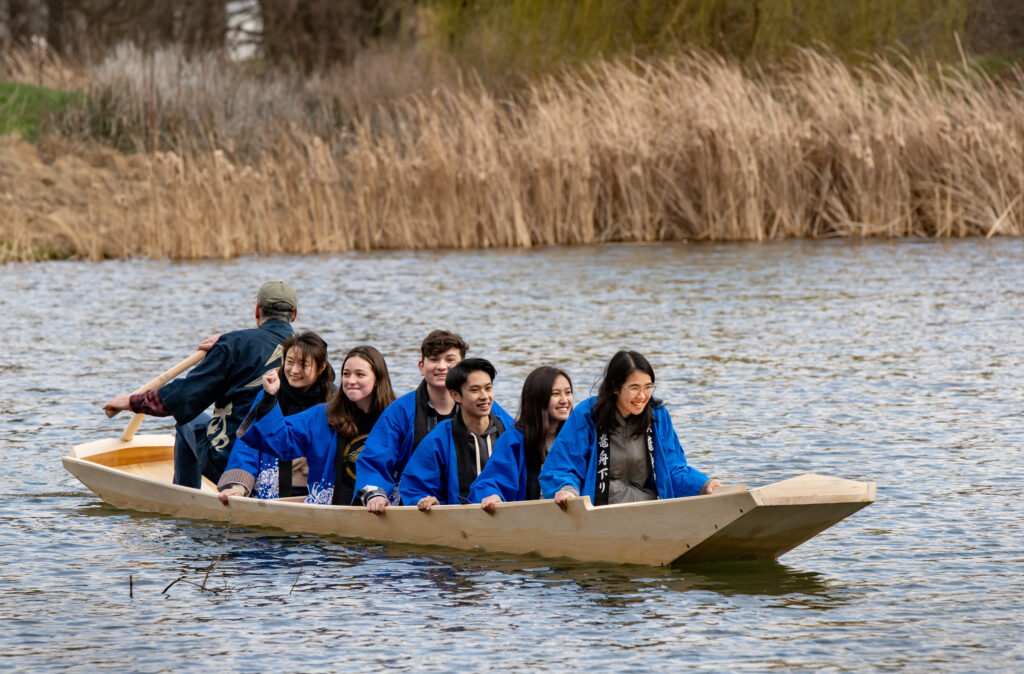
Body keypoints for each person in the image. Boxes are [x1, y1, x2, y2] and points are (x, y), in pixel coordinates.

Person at [103, 281, 298, 488]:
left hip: (234, 465)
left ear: (257, 310)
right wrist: (225, 346)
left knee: (186, 420)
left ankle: (184, 499)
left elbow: (184, 398)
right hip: (292, 470)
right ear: (293, 315)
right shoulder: (310, 353)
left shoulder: (234, 344)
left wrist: (132, 401)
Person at [539, 350, 721, 508]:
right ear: (615, 388)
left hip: (646, 506)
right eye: (634, 388)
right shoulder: (588, 414)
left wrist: (704, 485)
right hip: (601, 509)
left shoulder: (658, 416)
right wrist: (567, 490)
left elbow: (672, 468)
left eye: (648, 387)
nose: (642, 396)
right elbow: (563, 465)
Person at [236, 346, 396, 505]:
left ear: (378, 379)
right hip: (328, 512)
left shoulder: (396, 417)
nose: (351, 380)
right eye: (346, 374)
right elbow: (280, 439)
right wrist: (270, 398)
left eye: (360, 374)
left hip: (382, 510)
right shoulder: (323, 416)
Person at [353, 330, 467, 513]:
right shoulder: (399, 411)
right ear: (421, 367)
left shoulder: (485, 408)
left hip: (470, 503)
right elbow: (375, 459)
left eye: (450, 360)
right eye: (434, 359)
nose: (442, 366)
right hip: (413, 506)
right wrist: (376, 494)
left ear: (464, 368)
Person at [216, 331, 335, 501]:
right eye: (290, 362)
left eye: (303, 365)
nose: (294, 370)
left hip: (319, 489)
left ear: (321, 367)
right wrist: (238, 487)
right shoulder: (270, 393)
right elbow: (248, 445)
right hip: (272, 492)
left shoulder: (334, 401)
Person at [399, 358, 515, 511]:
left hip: (508, 516)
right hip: (456, 522)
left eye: (488, 388)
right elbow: (415, 487)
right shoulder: (439, 438)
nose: (484, 396)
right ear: (455, 395)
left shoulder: (510, 432)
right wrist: (427, 501)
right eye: (475, 390)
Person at [469, 366, 573, 513]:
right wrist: (492, 495)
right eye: (555, 394)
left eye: (568, 393)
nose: (564, 400)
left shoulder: (577, 438)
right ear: (537, 399)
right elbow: (494, 478)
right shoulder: (513, 440)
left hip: (572, 518)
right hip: (529, 520)